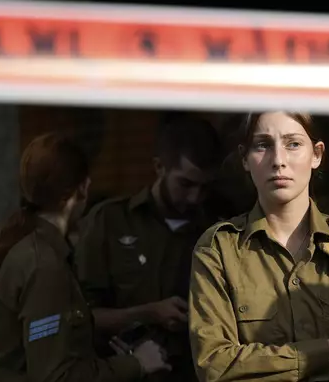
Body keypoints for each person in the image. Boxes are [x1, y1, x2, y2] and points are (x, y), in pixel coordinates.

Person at [189, 111, 329, 382]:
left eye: (293, 144)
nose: (278, 161)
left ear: (316, 154)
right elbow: (215, 366)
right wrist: (328, 350)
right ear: (245, 158)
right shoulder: (218, 249)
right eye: (263, 145)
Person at [0, 133, 169, 381]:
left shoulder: (34, 250)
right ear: (81, 190)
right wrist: (136, 363)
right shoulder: (44, 266)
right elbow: (57, 376)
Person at [75, 114, 224, 382]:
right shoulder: (110, 222)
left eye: (205, 187)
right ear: (159, 167)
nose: (195, 197)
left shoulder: (221, 230)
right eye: (186, 184)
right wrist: (149, 313)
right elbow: (81, 319)